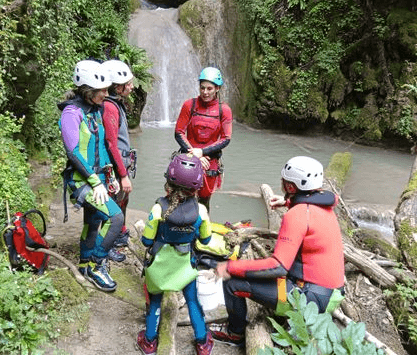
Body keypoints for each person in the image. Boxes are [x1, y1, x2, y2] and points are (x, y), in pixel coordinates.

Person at [210, 156, 345, 346]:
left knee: (231, 282)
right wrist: (287, 202)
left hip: (310, 299)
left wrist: (230, 266)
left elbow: (278, 267)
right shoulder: (322, 206)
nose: (281, 182)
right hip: (330, 293)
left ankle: (235, 333)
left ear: (291, 187)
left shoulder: (297, 215)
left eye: (284, 180)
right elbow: (306, 212)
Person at [136, 153, 214, 355]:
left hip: (159, 269)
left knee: (154, 302)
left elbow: (146, 241)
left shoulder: (157, 209)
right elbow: (206, 241)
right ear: (196, 188)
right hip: (185, 268)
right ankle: (202, 343)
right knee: (193, 302)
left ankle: (149, 341)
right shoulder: (201, 211)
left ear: (168, 183)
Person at [58, 60, 124, 292]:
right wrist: (95, 182)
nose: (106, 94)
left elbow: (102, 147)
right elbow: (73, 153)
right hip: (81, 180)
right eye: (102, 91)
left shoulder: (94, 111)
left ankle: (85, 263)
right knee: (115, 219)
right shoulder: (71, 114)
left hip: (99, 177)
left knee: (93, 221)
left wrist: (111, 175)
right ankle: (97, 265)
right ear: (87, 90)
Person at [174, 67, 233, 212]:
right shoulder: (190, 105)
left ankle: (202, 232)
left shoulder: (224, 110)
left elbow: (226, 138)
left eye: (209, 88)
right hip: (188, 159)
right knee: (181, 199)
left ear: (217, 88)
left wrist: (202, 151)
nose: (205, 92)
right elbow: (179, 132)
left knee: (203, 203)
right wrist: (195, 154)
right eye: (202, 88)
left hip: (209, 162)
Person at [100, 59, 137, 262]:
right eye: (128, 83)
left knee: (121, 202)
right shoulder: (110, 108)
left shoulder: (115, 105)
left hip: (120, 165)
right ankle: (108, 244)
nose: (131, 86)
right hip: (115, 169)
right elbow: (111, 143)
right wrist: (123, 175)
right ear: (117, 86)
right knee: (113, 207)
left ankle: (118, 235)